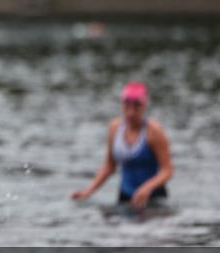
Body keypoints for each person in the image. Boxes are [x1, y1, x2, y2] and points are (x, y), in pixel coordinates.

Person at [71, 82, 173, 210]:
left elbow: (167, 171)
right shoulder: (114, 128)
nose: (131, 112)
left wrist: (147, 188)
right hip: (125, 196)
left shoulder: (154, 131)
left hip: (153, 198)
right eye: (127, 105)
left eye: (137, 106)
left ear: (144, 106)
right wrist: (88, 191)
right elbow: (109, 166)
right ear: (122, 104)